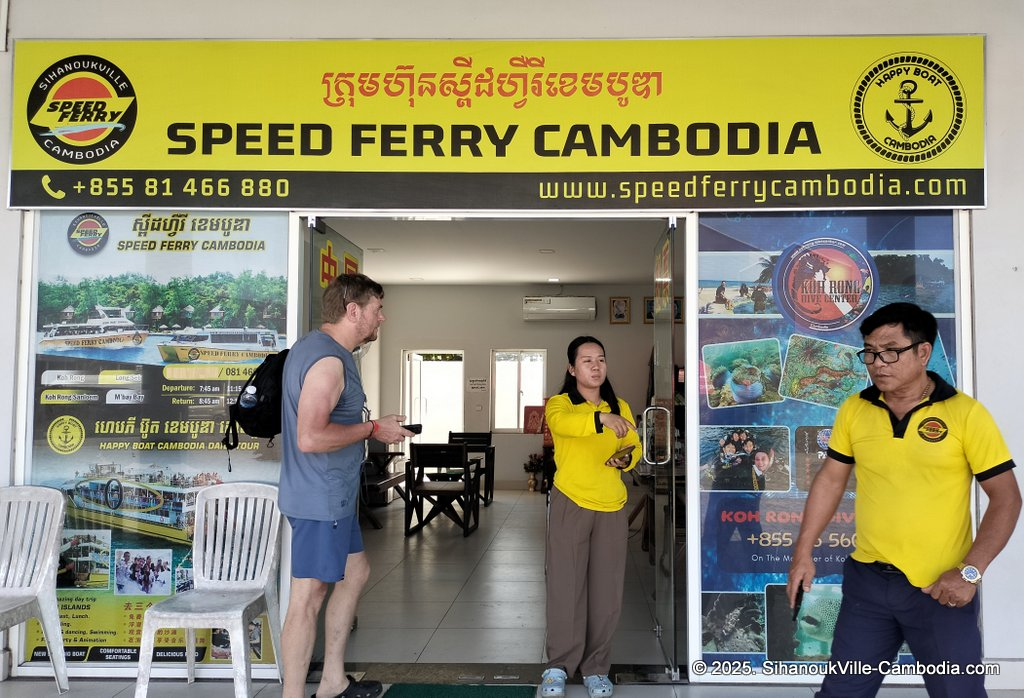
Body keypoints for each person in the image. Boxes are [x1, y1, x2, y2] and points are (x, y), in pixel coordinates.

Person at [786, 302, 1021, 697]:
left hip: (940, 588)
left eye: (891, 351)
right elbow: (830, 480)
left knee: (958, 694)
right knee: (842, 693)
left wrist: (970, 572)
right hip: (868, 584)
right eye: (870, 352)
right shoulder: (855, 409)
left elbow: (1007, 499)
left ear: (923, 352)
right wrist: (803, 551)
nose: (878, 363)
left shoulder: (965, 415)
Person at [279, 273, 412, 698]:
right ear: (353, 311)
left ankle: (333, 682)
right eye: (377, 309)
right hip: (320, 499)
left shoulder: (319, 349)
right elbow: (310, 437)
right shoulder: (328, 362)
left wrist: (372, 427)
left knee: (356, 572)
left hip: (333, 497)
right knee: (308, 599)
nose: (381, 318)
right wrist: (373, 428)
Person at [540, 336, 641, 698]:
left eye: (601, 359)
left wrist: (625, 458)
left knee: (606, 593)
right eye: (587, 361)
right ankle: (558, 665)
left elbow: (634, 445)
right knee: (566, 586)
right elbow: (566, 426)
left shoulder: (621, 406)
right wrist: (601, 418)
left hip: (611, 505)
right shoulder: (560, 405)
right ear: (572, 369)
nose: (596, 366)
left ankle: (596, 668)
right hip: (571, 501)